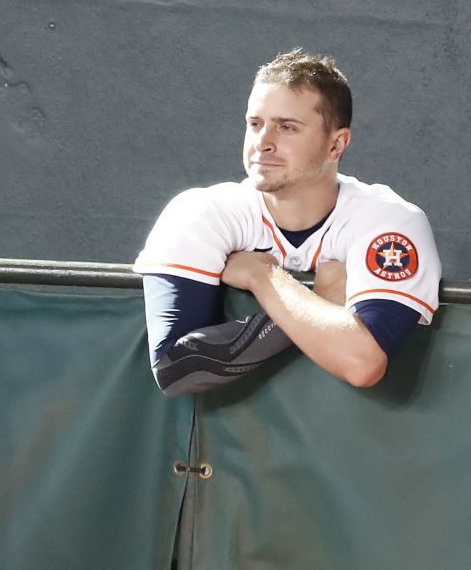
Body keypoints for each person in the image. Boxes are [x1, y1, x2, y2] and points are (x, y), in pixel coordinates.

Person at [134, 49, 440, 395]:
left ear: (336, 144)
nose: (262, 143)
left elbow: (362, 364)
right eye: (255, 124)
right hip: (236, 444)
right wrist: (321, 301)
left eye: (287, 128)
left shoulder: (387, 220)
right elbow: (176, 371)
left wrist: (262, 277)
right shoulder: (201, 213)